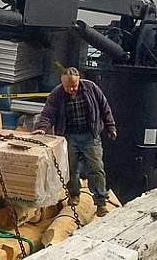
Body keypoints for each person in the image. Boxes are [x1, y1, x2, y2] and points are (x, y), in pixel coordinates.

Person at [34, 67, 117, 216]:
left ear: (79, 80)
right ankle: (74, 194)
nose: (71, 89)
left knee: (96, 169)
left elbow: (105, 107)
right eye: (68, 87)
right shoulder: (57, 94)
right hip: (69, 136)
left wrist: (111, 127)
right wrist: (42, 128)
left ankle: (101, 203)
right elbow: (48, 113)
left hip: (90, 135)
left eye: (74, 86)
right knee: (70, 169)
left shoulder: (91, 88)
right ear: (62, 83)